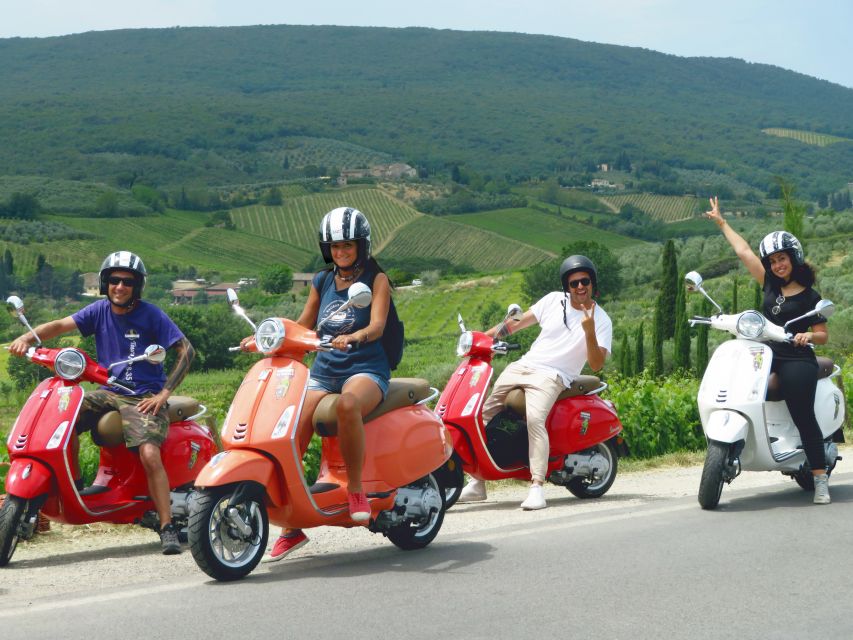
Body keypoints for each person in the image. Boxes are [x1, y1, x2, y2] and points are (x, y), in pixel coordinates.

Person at [9, 251, 195, 554]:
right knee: (60, 418)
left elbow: (187, 351)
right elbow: (58, 326)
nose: (119, 286)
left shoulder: (152, 314)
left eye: (127, 282)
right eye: (113, 280)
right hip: (108, 390)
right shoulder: (98, 311)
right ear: (104, 283)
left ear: (137, 286)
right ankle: (78, 486)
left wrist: (163, 393)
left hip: (143, 396)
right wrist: (28, 339)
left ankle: (167, 526)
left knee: (149, 453)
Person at [262, 206, 392, 562]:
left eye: (348, 245)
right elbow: (305, 324)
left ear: (361, 246)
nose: (341, 252)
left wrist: (355, 336)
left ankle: (355, 490)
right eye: (334, 246)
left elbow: (378, 325)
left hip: (365, 368)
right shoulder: (321, 280)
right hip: (324, 370)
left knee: (348, 404)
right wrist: (268, 335)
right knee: (292, 420)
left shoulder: (377, 280)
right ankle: (292, 521)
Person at [458, 255, 613, 510]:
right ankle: (477, 481)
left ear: (593, 282)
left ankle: (537, 486)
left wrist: (588, 331)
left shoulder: (602, 320)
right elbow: (516, 323)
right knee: (481, 413)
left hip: (553, 375)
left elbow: (597, 364)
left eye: (585, 281)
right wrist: (479, 339)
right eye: (574, 283)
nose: (580, 287)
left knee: (534, 420)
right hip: (523, 365)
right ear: (567, 286)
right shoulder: (553, 300)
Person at [705, 196, 832, 503]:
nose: (777, 265)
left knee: (802, 413)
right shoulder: (769, 285)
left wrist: (807, 338)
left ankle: (820, 479)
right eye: (773, 261)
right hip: (763, 354)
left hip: (796, 358)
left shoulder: (810, 296)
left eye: (782, 259)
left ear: (794, 258)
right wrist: (722, 222)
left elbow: (823, 335)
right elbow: (744, 251)